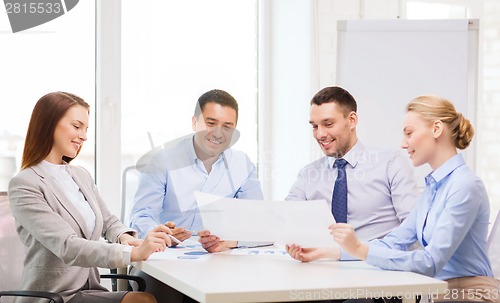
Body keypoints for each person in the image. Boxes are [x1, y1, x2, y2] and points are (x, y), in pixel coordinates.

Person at [291, 95, 500, 302]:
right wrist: (326, 252)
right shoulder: (432, 188)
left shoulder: (465, 186)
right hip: (437, 291)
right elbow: (395, 241)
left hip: (470, 292)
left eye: (409, 133)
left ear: (436, 129)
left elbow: (430, 261)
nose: (403, 143)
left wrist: (361, 249)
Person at [8, 91, 175, 303]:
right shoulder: (25, 183)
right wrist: (132, 253)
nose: (84, 136)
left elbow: (108, 221)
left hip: (89, 289)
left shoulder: (80, 175)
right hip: (54, 296)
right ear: (48, 123)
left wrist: (127, 238)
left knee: (151, 296)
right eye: (77, 126)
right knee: (144, 300)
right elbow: (68, 246)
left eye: (86, 129)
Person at [128, 89, 265, 303]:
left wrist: (231, 241)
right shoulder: (162, 159)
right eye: (211, 123)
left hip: (219, 262)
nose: (218, 133)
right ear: (194, 122)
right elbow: (140, 218)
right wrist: (163, 236)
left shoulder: (242, 164)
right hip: (164, 261)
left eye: (227, 127)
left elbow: (260, 221)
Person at [286, 86, 419, 261]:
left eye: (328, 124)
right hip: (323, 270)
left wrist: (348, 253)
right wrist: (296, 244)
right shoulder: (308, 174)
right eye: (315, 126)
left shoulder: (391, 163)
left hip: (378, 269)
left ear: (352, 120)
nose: (320, 134)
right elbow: (287, 218)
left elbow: (412, 230)